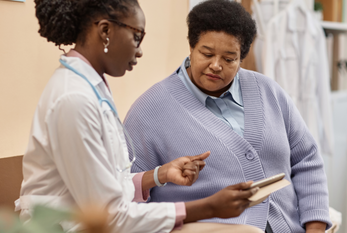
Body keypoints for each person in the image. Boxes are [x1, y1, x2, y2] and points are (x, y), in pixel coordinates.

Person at [15, 0, 264, 232]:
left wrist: (159, 175)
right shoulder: (73, 99)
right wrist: (208, 207)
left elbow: (107, 186)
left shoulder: (90, 87)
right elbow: (110, 215)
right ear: (105, 31)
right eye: (137, 37)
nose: (140, 51)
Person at [124, 1, 332, 233]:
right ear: (191, 47)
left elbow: (307, 160)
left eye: (229, 58)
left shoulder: (268, 91)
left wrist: (315, 227)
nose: (216, 65)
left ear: (241, 58)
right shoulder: (149, 111)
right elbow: (125, 194)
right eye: (207, 53)